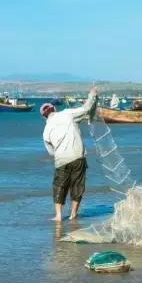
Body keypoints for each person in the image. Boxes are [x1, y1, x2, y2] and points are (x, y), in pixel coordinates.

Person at [41, 87, 97, 222]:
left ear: (44, 117)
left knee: (59, 186)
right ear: (54, 109)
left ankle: (59, 216)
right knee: (78, 185)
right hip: (78, 156)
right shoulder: (67, 113)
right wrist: (92, 95)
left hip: (61, 160)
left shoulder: (46, 130)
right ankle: (73, 214)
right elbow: (86, 109)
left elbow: (51, 152)